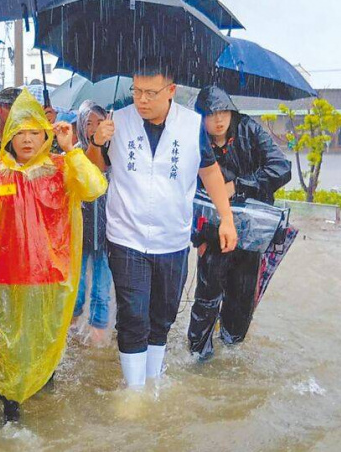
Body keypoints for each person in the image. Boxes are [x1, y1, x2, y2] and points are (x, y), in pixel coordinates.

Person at [0, 89, 107, 423]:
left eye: (35, 132)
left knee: (46, 337)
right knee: (10, 344)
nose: (28, 139)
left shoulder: (62, 169)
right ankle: (10, 407)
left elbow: (94, 188)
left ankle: (43, 387)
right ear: (9, 135)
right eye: (20, 132)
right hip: (6, 276)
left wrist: (72, 151)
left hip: (51, 276)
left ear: (45, 134)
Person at [85, 62, 238, 389]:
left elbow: (209, 171)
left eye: (150, 93)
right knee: (133, 316)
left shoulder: (192, 124)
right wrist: (97, 142)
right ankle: (134, 392)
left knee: (162, 317)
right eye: (137, 91)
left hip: (172, 239)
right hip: (126, 236)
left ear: (171, 91)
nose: (141, 100)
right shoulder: (118, 121)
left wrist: (226, 218)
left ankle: (152, 381)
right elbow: (94, 170)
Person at [188, 85, 292, 361]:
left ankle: (232, 351)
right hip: (213, 230)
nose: (219, 120)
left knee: (242, 298)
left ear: (232, 112)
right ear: (201, 117)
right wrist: (196, 238)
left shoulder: (250, 129)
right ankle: (198, 356)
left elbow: (281, 169)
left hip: (251, 230)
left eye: (224, 112)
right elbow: (186, 190)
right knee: (207, 298)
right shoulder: (194, 138)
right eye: (211, 115)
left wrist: (238, 185)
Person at [72, 101, 112, 346]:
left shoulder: (114, 152)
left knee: (102, 285)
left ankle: (98, 333)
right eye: (89, 124)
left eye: (100, 122)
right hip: (79, 231)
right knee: (76, 285)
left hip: (107, 233)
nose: (95, 128)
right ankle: (73, 325)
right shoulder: (74, 153)